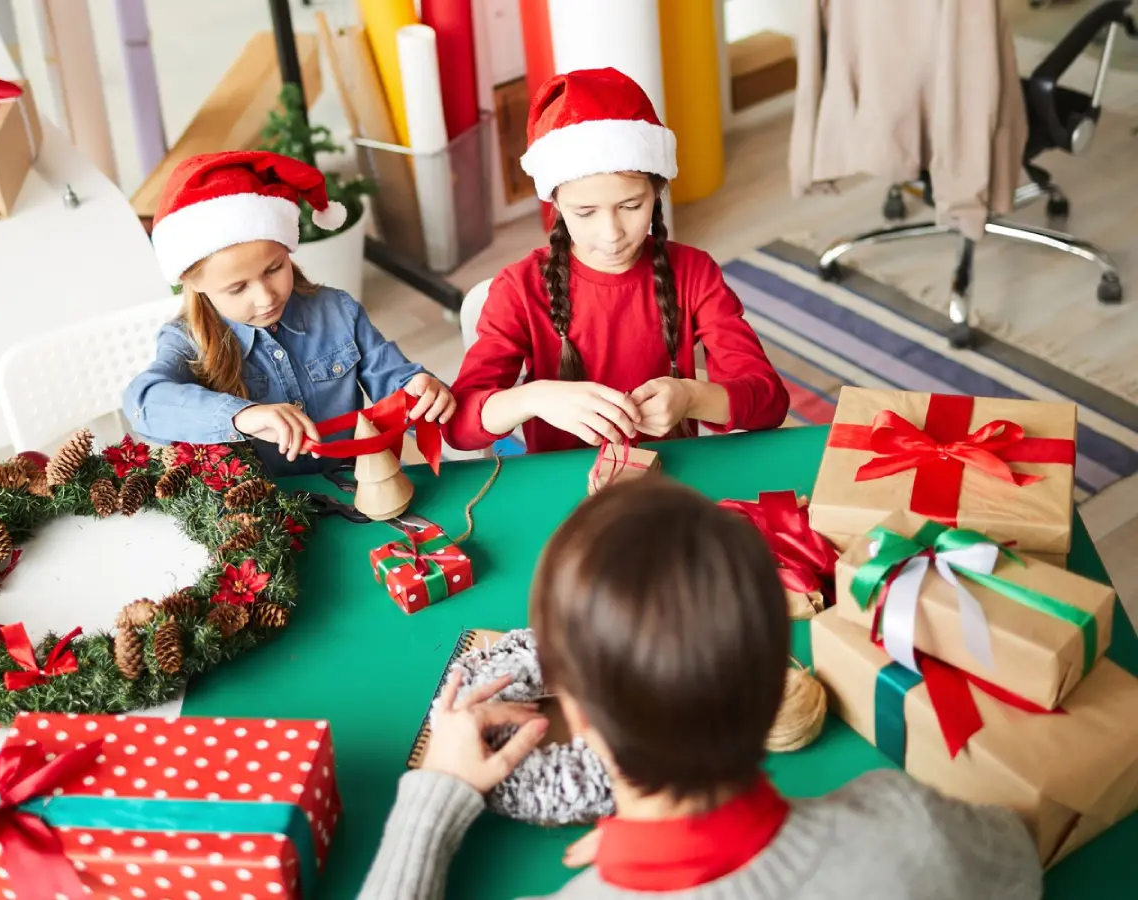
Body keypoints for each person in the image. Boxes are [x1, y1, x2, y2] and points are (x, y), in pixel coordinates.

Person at [358, 478, 1043, 900]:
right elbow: (1017, 860)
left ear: (582, 720)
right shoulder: (908, 823)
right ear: (775, 680)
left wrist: (435, 800)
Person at [443, 68, 789, 454]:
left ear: (657, 192)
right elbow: (458, 428)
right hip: (565, 489)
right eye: (586, 212)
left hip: (668, 480)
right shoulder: (520, 289)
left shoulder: (694, 273)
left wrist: (691, 397)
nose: (611, 234)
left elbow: (769, 402)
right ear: (555, 203)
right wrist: (535, 398)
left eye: (630, 205)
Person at [123, 151, 453, 476]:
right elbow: (144, 404)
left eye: (275, 268)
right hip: (262, 513)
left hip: (355, 479)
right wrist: (241, 416)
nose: (266, 296)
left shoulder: (337, 311)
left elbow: (395, 382)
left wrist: (420, 390)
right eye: (238, 289)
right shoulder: (186, 341)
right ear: (194, 283)